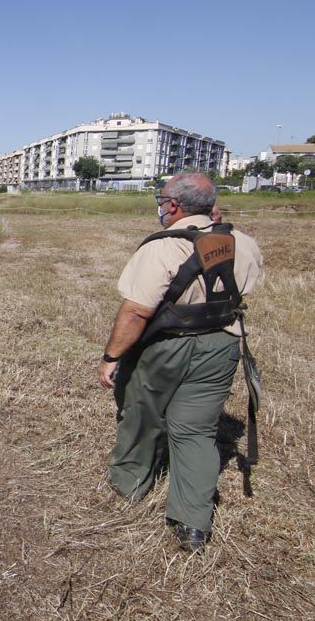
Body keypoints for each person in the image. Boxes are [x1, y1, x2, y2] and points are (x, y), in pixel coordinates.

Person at [96, 173, 263, 551]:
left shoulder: (160, 248)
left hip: (165, 346)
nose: (160, 205)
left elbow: (137, 312)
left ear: (173, 205)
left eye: (162, 198)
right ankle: (192, 522)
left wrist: (111, 357)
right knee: (197, 430)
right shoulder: (244, 243)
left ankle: (130, 486)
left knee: (141, 414)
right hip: (222, 346)